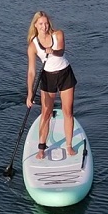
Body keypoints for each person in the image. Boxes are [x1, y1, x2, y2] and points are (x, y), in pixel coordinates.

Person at [24, 11, 76, 159]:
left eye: (46, 23)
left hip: (65, 74)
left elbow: (61, 52)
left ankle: (69, 146)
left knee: (68, 111)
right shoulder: (33, 46)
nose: (44, 26)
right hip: (47, 77)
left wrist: (52, 51)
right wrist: (29, 94)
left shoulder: (58, 34)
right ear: (35, 25)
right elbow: (32, 72)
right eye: (40, 24)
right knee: (46, 113)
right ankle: (41, 148)